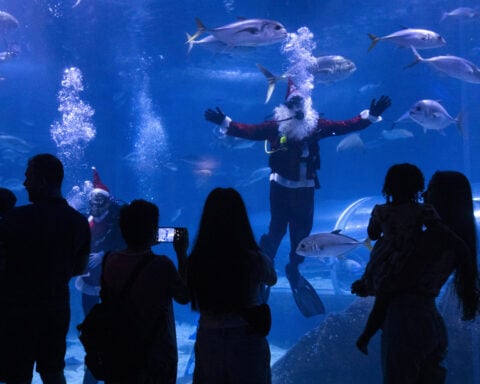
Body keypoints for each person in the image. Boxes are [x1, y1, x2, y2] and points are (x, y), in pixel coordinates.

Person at [204, 81, 391, 317]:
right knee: (276, 230)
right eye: (293, 103)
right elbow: (251, 131)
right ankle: (265, 266)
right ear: (285, 105)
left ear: (307, 104)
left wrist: (370, 116)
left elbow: (344, 126)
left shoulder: (316, 125)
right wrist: (225, 123)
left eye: (300, 102)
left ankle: (293, 269)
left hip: (305, 191)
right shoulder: (275, 126)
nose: (297, 108)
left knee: (301, 236)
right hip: (281, 189)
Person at [379, 171, 479, 383]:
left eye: (430, 189)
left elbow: (400, 279)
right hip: (428, 319)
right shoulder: (456, 237)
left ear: (444, 196)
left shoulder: (434, 238)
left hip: (407, 321)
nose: (424, 195)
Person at [0, 153, 91, 384]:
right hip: (56, 308)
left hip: (16, 310)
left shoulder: (14, 218)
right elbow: (80, 268)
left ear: (41, 181)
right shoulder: (79, 222)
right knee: (53, 372)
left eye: (28, 177)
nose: (24, 183)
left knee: (16, 375)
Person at [187, 187, 277, 384]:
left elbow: (186, 292)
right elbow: (272, 279)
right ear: (242, 219)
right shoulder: (254, 259)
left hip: (209, 338)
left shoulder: (197, 259)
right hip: (246, 337)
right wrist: (265, 252)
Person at [351, 163, 440, 354]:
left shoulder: (380, 211)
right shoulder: (424, 210)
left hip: (385, 259)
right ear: (418, 187)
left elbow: (373, 234)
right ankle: (369, 334)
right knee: (385, 301)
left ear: (388, 187)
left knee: (382, 300)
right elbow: (436, 231)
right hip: (411, 256)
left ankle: (366, 336)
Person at [100, 199, 189, 384]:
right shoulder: (162, 265)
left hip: (120, 348)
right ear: (153, 231)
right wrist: (182, 254)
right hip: (156, 353)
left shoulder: (110, 259)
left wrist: (141, 243)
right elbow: (184, 296)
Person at [74, 167, 125, 384]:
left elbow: (124, 243)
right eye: (92, 200)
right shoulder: (86, 221)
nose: (95, 204)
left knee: (114, 321)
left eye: (99, 200)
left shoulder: (116, 220)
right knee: (90, 323)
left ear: (106, 202)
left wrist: (104, 254)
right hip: (88, 279)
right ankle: (93, 367)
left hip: (111, 278)